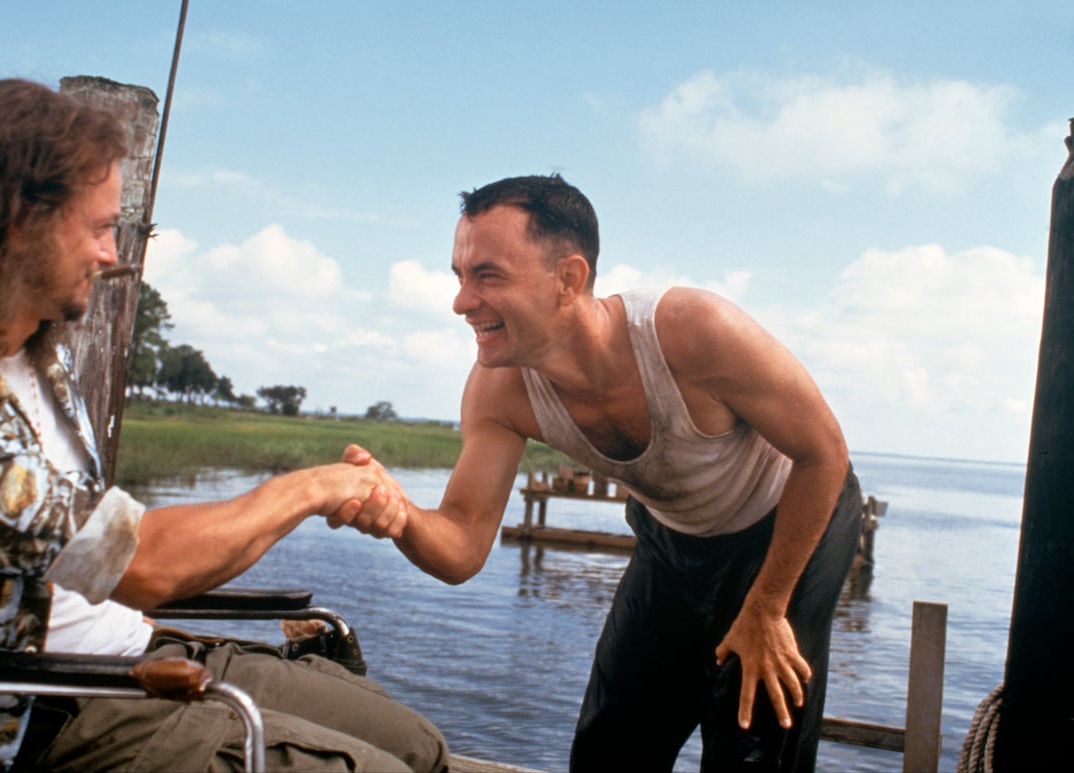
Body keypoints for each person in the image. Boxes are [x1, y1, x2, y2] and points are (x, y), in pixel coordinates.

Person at [0, 79, 448, 773]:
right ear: (15, 225)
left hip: (131, 651)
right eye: (97, 228)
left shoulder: (38, 356)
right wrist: (315, 488)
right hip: (35, 709)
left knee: (420, 748)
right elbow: (143, 562)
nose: (112, 254)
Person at [331, 173, 861, 771]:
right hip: (674, 538)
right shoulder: (500, 391)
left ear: (569, 279)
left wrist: (767, 607)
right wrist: (401, 516)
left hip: (790, 520)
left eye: (488, 276)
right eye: (459, 277)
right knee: (610, 747)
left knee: (751, 744)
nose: (461, 301)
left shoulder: (692, 330)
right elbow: (463, 547)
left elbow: (825, 453)